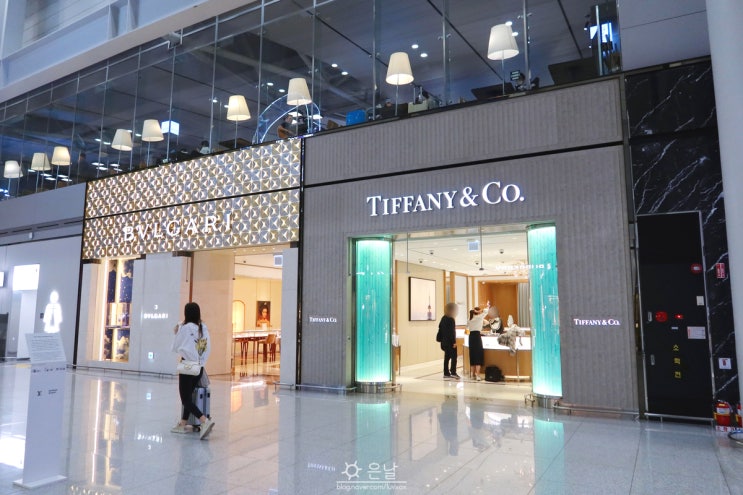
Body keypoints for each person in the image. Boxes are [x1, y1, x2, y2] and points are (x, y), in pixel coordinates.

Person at [171, 302, 215, 439]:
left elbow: (176, 345)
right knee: (188, 396)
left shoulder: (185, 328)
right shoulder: (203, 328)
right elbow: (206, 348)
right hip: (198, 367)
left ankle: (204, 421)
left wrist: (178, 330)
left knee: (185, 399)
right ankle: (183, 423)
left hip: (187, 367)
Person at [439, 302, 460, 379]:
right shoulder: (451, 319)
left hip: (444, 342)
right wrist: (454, 342)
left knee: (446, 357)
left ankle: (446, 373)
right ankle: (453, 372)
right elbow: (452, 332)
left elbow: (441, 330)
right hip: (450, 342)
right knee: (454, 357)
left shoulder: (443, 318)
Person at [467, 307, 486, 381]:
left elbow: (466, 329)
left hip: (471, 337)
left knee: (472, 356)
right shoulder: (479, 317)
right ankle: (477, 375)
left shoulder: (469, 319)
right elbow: (486, 311)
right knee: (478, 355)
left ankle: (472, 375)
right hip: (477, 337)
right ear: (477, 312)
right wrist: (479, 311)